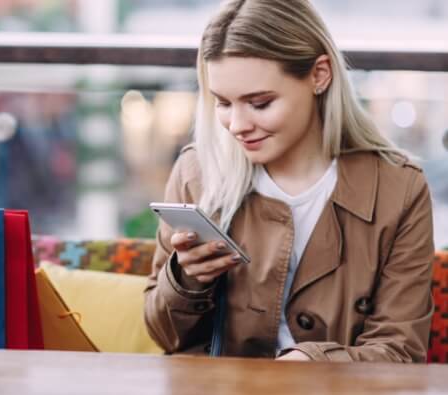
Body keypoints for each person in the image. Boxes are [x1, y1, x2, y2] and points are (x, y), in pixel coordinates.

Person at [144, 0, 434, 362]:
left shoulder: (399, 190)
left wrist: (313, 363)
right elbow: (162, 337)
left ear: (319, 75)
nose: (237, 125)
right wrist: (187, 282)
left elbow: (400, 349)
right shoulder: (198, 173)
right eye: (223, 103)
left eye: (260, 103)